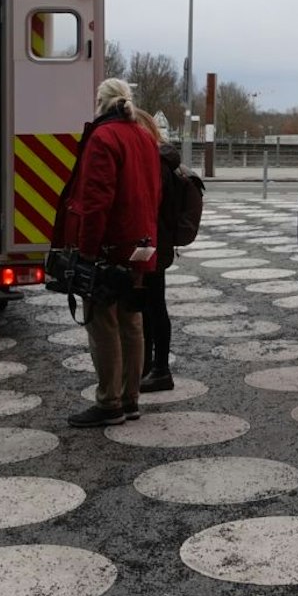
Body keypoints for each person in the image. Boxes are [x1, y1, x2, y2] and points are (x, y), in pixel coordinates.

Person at [54, 78, 160, 427]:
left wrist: (86, 252)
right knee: (132, 320)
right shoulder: (144, 136)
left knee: (104, 324)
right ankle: (131, 398)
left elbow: (96, 202)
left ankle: (108, 401)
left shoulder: (103, 137)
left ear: (99, 102)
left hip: (110, 246)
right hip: (141, 244)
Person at [134, 106, 180, 392]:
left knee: (152, 306)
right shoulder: (163, 159)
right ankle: (149, 366)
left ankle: (159, 368)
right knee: (150, 306)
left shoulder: (155, 163)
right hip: (159, 242)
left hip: (151, 242)